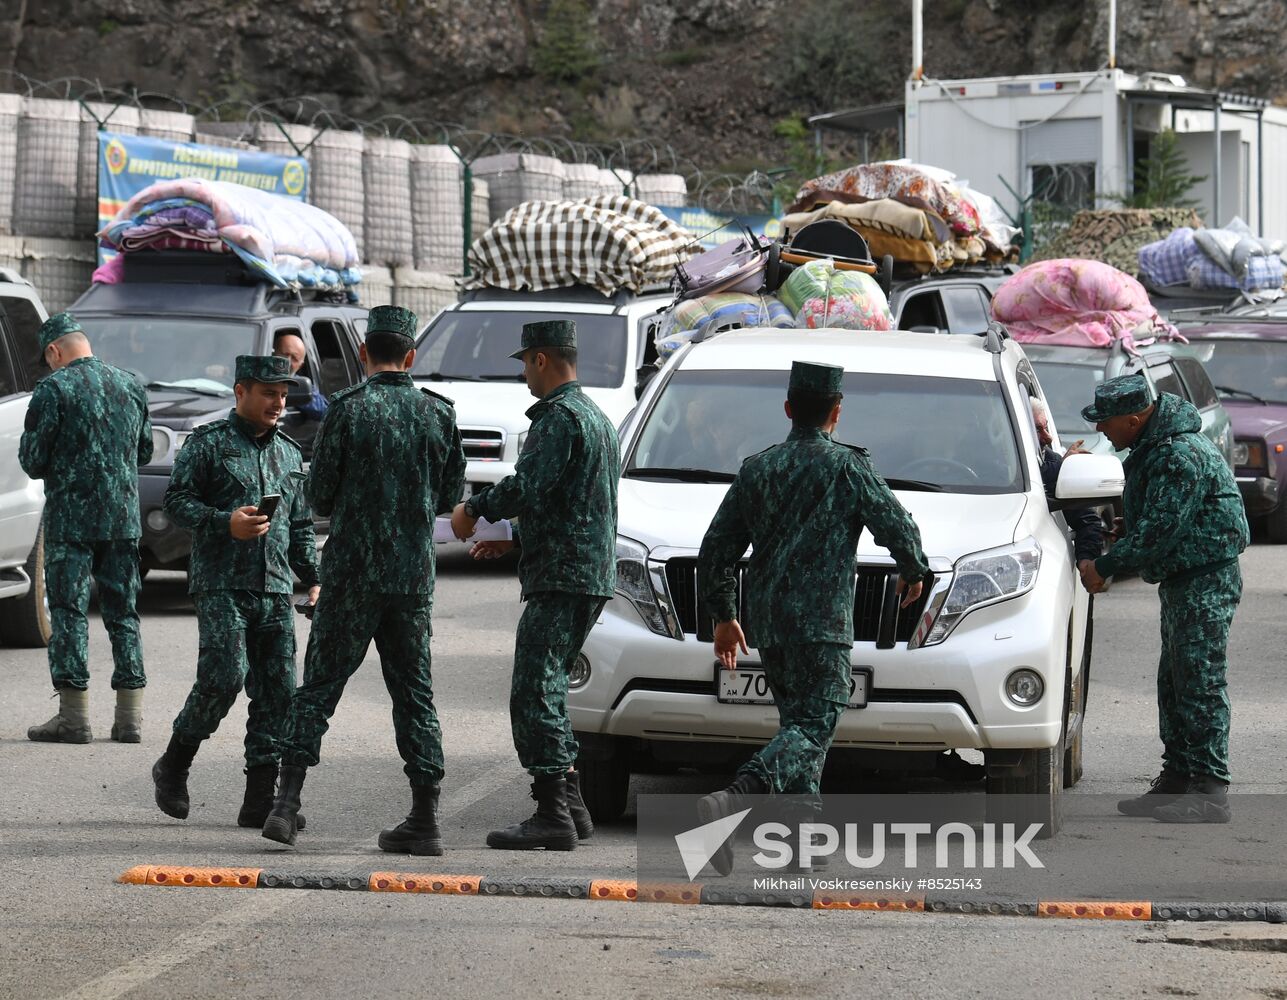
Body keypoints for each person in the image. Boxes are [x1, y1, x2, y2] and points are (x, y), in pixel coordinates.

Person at [695, 361, 930, 875]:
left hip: (770, 622)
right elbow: (893, 522)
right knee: (813, 725)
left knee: (797, 728)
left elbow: (716, 550)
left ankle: (801, 842)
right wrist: (914, 569)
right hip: (822, 623)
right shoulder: (848, 467)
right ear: (836, 412)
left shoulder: (758, 468)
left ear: (787, 410)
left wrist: (723, 615)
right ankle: (732, 801)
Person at [263, 306, 465, 854]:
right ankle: (424, 820)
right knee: (414, 695)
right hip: (410, 581)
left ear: (362, 352)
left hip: (351, 576)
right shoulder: (438, 414)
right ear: (411, 356)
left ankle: (285, 804)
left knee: (319, 688)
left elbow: (320, 494)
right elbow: (449, 498)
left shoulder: (348, 412)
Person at [451, 319, 618, 851]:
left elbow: (530, 485)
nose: (524, 374)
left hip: (562, 576)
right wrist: (516, 539)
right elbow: (571, 503)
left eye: (525, 362)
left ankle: (552, 813)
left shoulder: (558, 419)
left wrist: (474, 510)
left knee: (533, 692)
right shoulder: (596, 417)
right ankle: (571, 806)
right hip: (586, 572)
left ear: (542, 359)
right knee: (547, 687)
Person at [152, 355, 320, 827]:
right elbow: (177, 502)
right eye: (269, 393)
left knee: (278, 693)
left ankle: (259, 799)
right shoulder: (208, 443)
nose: (279, 402)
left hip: (273, 588)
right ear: (241, 390)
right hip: (222, 582)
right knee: (224, 677)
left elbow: (300, 523)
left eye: (284, 394)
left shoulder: (289, 452)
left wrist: (312, 578)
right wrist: (225, 521)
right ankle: (174, 763)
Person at [1078, 373, 1248, 824]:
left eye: (1106, 421)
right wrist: (1124, 533)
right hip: (1183, 578)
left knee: (1200, 682)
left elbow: (1160, 530)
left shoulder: (1178, 454)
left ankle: (1210, 791)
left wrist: (1105, 566)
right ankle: (1177, 778)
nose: (1100, 429)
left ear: (1134, 420)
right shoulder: (1155, 446)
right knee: (1174, 683)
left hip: (1203, 579)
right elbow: (1154, 518)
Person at [19, 312, 152, 744]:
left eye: (47, 358)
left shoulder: (53, 389)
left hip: (71, 523)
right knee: (123, 613)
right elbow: (145, 451)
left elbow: (33, 460)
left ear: (54, 351)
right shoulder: (131, 384)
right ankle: (129, 719)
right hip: (122, 519)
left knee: (69, 612)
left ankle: (74, 718)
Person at [1031, 398, 1104, 566]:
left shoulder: (1052, 460)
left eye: (1046, 427)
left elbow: (1088, 521)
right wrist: (1061, 467)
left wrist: (1087, 562)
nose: (1048, 438)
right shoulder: (984, 463)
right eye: (1036, 429)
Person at [272, 332, 328, 420]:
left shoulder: (300, 384)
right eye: (284, 354)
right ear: (273, 354)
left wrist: (290, 385)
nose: (288, 361)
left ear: (300, 365)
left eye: (294, 358)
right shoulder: (254, 376)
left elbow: (325, 412)